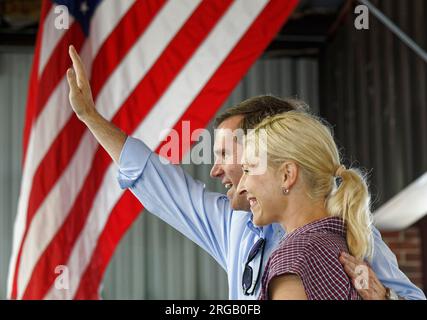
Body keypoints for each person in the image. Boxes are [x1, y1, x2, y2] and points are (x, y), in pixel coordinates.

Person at [66, 45, 425, 300]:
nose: (215, 167)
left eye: (227, 154)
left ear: (278, 161)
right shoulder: (235, 224)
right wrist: (91, 119)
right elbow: (154, 179)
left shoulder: (348, 231)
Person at [237, 111, 373, 299]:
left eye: (248, 169)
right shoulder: (342, 246)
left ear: (287, 175)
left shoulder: (294, 258)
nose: (241, 187)